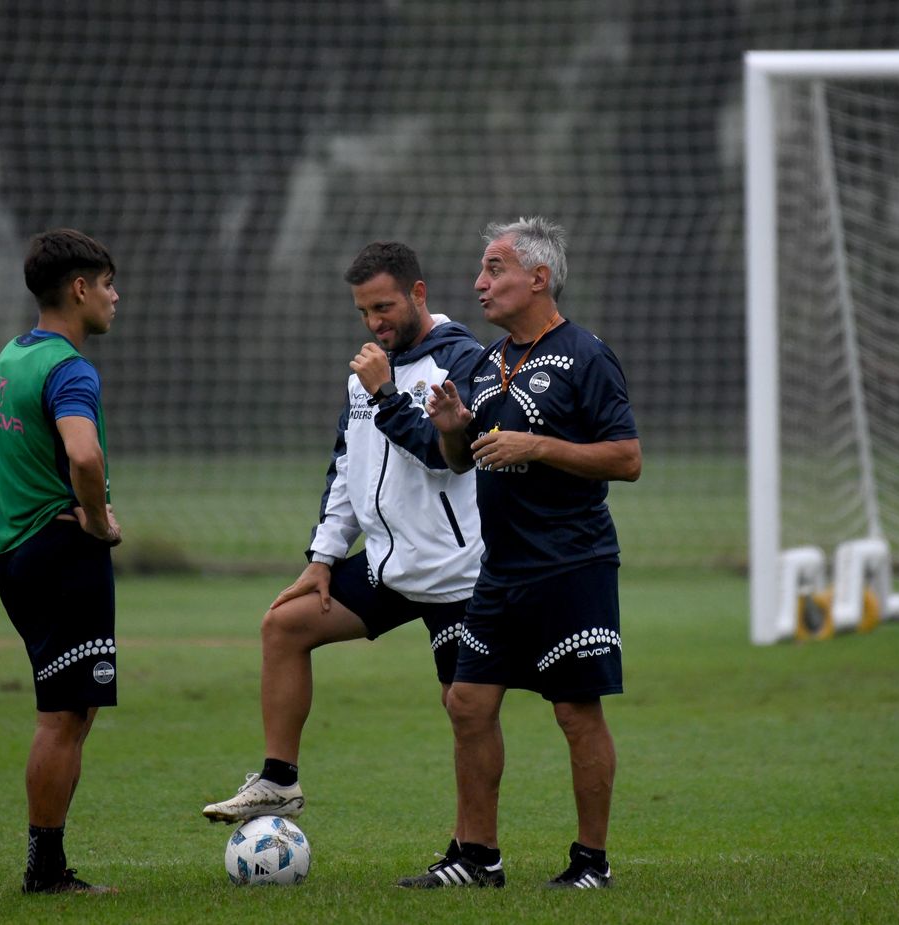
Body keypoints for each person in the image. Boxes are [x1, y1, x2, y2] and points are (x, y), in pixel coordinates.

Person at [201, 242, 485, 848]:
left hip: (454, 573)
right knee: (284, 625)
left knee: (466, 711)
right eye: (363, 312)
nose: (374, 322)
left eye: (383, 307)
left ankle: (472, 850)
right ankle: (280, 782)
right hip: (389, 567)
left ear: (419, 294)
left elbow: (448, 460)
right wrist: (323, 558)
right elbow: (345, 467)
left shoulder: (463, 359)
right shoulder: (368, 369)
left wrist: (385, 394)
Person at [399, 216, 641, 890]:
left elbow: (626, 458)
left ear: (539, 277)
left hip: (572, 563)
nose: (480, 282)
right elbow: (462, 456)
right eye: (481, 270)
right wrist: (452, 431)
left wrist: (537, 446)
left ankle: (591, 862)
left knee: (574, 710)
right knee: (467, 702)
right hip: (499, 569)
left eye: (495, 268)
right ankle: (478, 856)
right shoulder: (486, 362)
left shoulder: (586, 355)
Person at [0, 228, 123, 894]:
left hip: (19, 554)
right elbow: (83, 455)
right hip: (63, 556)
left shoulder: (9, 357)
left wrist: (13, 516)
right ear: (80, 288)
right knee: (62, 715)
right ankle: (46, 870)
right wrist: (93, 518)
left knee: (68, 711)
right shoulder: (68, 367)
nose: (117, 297)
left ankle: (47, 863)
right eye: (109, 284)